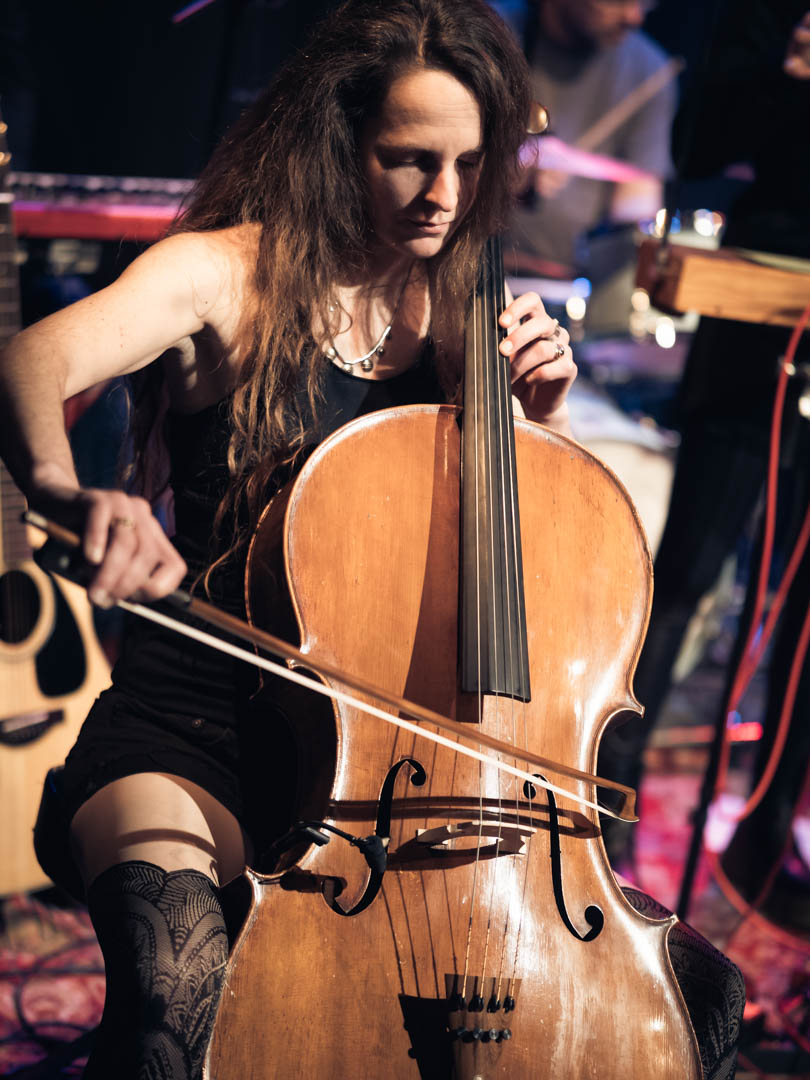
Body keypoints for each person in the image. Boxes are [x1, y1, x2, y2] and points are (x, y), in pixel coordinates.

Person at [0, 2, 741, 1077]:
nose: (445, 195)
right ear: (338, 142)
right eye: (409, 160)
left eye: (470, 164)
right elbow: (31, 361)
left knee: (700, 1007)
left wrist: (538, 429)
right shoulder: (226, 275)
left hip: (398, 776)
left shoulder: (467, 313)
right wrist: (68, 493)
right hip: (197, 736)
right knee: (176, 982)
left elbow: (553, 595)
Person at [598, 1, 810, 916]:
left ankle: (767, 829)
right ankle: (611, 801)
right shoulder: (765, 20)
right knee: (686, 580)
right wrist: (786, 77)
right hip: (752, 326)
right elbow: (697, 144)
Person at [503, 0, 676, 276]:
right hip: (471, 265)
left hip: (574, 281)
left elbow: (640, 200)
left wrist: (637, 217)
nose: (634, 17)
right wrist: (502, 172)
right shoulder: (489, 33)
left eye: (644, 3)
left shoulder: (651, 70)